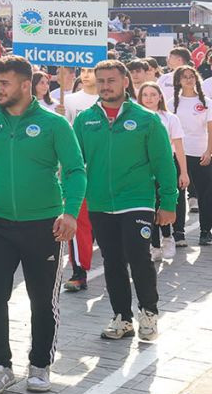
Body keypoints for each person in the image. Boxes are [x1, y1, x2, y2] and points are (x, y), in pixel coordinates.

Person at [0, 56, 86, 394]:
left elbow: (75, 170)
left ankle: (40, 365)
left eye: (4, 83)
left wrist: (70, 213)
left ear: (25, 84)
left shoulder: (54, 124)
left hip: (44, 226)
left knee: (42, 300)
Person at [73, 60, 177, 342]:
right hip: (99, 203)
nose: (106, 86)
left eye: (112, 80)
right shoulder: (85, 120)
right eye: (102, 81)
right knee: (112, 261)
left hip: (137, 200)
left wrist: (168, 201)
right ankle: (122, 318)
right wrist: (66, 199)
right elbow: (73, 164)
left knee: (138, 256)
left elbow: (164, 163)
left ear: (125, 82)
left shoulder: (146, 118)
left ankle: (149, 313)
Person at [56, 67, 100, 293]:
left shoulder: (114, 100)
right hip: (78, 170)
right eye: (83, 70)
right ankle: (79, 271)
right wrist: (60, 115)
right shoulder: (71, 100)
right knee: (78, 220)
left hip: (106, 173)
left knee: (104, 222)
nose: (86, 74)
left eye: (91, 70)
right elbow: (66, 135)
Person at [137, 82, 187, 261]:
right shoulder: (136, 119)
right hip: (143, 166)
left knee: (163, 202)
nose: (149, 98)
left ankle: (168, 236)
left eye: (153, 94)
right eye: (145, 95)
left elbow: (179, 147)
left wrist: (184, 172)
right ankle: (154, 245)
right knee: (148, 205)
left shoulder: (170, 118)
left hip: (165, 164)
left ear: (160, 97)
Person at [172, 66, 212, 246]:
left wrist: (208, 151)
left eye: (191, 76)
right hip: (178, 154)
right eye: (184, 77)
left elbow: (210, 129)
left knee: (206, 195)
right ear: (178, 81)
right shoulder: (172, 102)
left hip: (202, 154)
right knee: (178, 195)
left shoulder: (207, 102)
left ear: (196, 79)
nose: (188, 80)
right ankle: (178, 233)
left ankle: (205, 232)